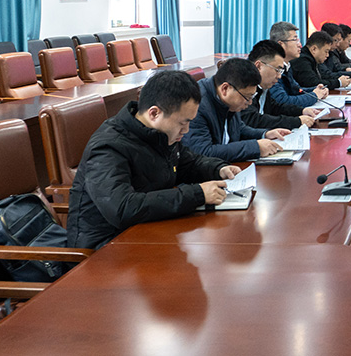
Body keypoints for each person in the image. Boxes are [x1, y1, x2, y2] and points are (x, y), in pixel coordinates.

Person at [67, 70, 241, 249]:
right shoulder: (108, 147)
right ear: (154, 113)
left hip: (146, 231)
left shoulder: (160, 135)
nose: (186, 130)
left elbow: (188, 163)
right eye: (182, 123)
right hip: (105, 248)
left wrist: (218, 169)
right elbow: (122, 208)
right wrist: (197, 194)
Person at [182, 58, 289, 162]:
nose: (250, 102)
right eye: (247, 97)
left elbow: (239, 129)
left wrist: (265, 134)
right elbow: (203, 152)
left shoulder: (230, 101)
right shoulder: (197, 105)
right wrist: (255, 147)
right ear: (225, 89)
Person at [241, 40, 319, 131]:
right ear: (259, 66)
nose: (279, 76)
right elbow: (253, 120)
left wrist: (301, 111)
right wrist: (296, 121)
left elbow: (274, 107)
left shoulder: (263, 86)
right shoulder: (243, 86)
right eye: (277, 70)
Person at [268, 21, 328, 109]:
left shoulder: (287, 65)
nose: (300, 45)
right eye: (295, 40)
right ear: (281, 44)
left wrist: (316, 90)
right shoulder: (271, 67)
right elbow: (283, 101)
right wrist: (314, 95)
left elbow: (296, 90)